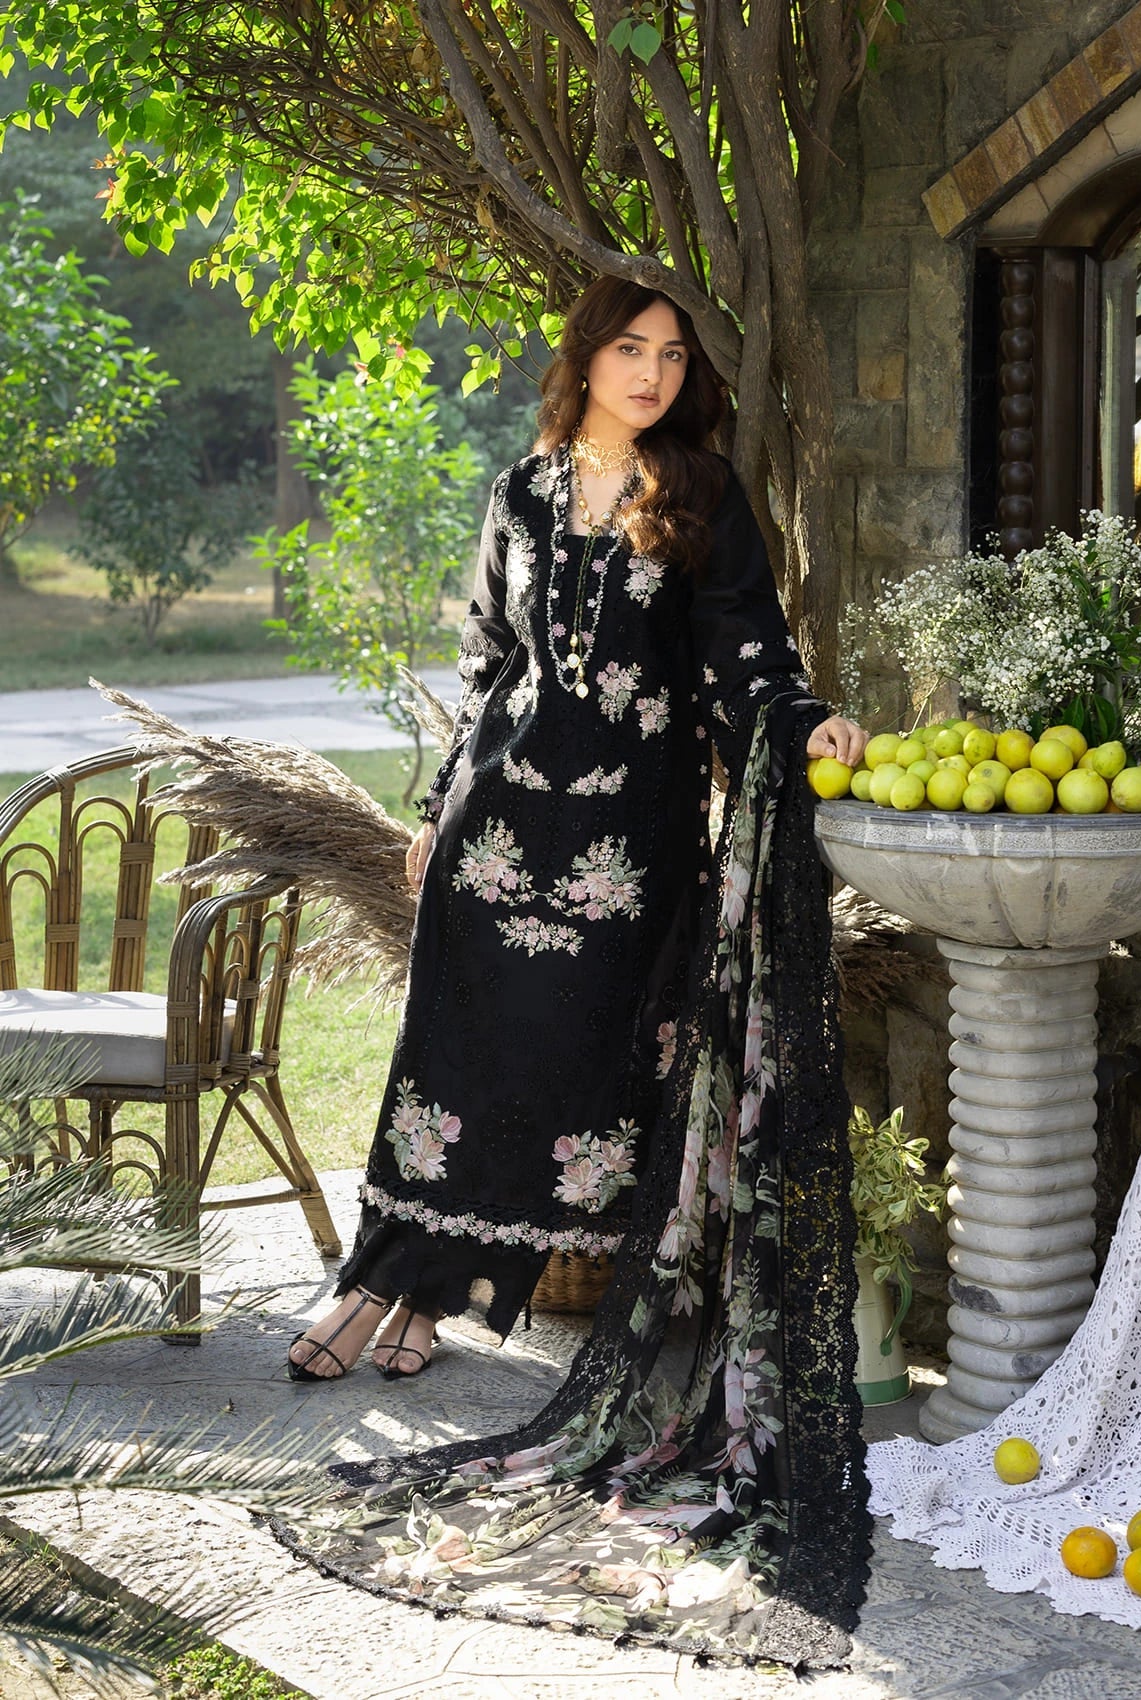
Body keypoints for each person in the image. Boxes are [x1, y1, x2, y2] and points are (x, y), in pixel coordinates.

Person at [287, 276, 865, 1387]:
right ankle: (388, 1286)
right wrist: (439, 806)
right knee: (453, 1058)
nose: (653, 373)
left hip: (623, 852)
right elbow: (486, 661)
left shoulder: (702, 493)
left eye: (674, 356)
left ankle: (431, 1293)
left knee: (565, 1066)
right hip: (496, 830)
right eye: (632, 349)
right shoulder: (522, 491)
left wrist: (802, 724)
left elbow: (745, 651)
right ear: (588, 355)